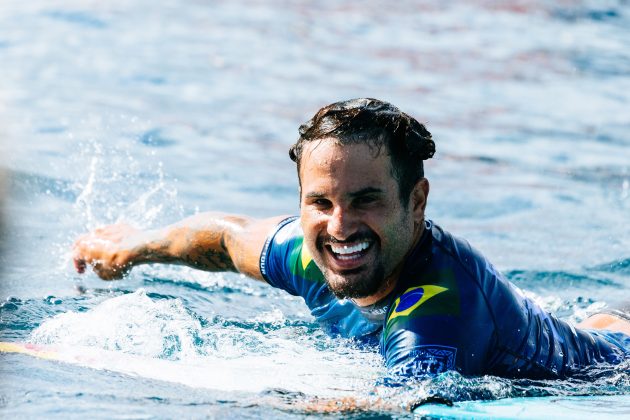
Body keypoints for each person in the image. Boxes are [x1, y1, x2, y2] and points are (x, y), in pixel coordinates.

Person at [73, 98, 630, 379]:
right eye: (321, 202)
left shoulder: (434, 319)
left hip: (604, 371)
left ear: (417, 202)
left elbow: (396, 404)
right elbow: (224, 237)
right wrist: (132, 247)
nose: (339, 227)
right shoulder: (309, 253)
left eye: (365, 200)